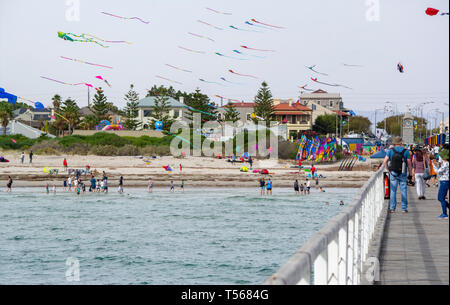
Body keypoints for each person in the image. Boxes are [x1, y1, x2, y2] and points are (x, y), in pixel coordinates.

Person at [383, 137, 412, 213]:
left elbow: (385, 161)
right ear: (401, 142)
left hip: (393, 172)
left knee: (393, 191)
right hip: (403, 173)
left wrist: (388, 170)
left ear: (394, 143)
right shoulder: (406, 151)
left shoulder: (391, 151)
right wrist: (410, 174)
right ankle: (404, 208)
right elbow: (409, 163)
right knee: (403, 190)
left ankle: (392, 208)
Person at [433, 148, 449, 219]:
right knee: (441, 198)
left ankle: (444, 213)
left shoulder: (446, 164)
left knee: (440, 198)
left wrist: (433, 166)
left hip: (444, 181)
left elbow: (438, 171)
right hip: (445, 181)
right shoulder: (446, 163)